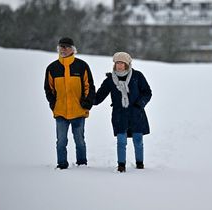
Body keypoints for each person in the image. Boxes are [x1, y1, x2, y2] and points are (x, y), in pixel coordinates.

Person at [94, 52, 152, 172]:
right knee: (121, 141)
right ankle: (121, 165)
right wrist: (88, 101)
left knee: (138, 140)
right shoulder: (110, 80)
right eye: (117, 63)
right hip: (119, 115)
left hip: (136, 114)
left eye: (122, 63)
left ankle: (140, 164)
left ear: (127, 64)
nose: (119, 65)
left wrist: (139, 104)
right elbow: (99, 97)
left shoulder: (137, 76)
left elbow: (147, 92)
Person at [44, 37, 95, 169]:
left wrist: (87, 103)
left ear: (73, 49)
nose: (63, 49)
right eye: (61, 46)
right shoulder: (52, 68)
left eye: (66, 47)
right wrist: (53, 104)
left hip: (79, 111)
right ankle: (61, 164)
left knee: (79, 140)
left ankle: (82, 163)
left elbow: (89, 86)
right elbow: (48, 89)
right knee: (61, 141)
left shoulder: (82, 66)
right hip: (60, 111)